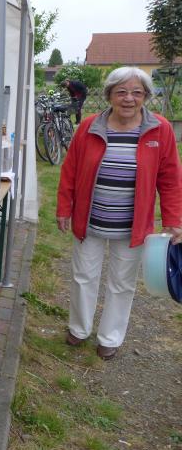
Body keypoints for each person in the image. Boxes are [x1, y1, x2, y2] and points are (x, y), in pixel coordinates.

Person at [56, 66, 182, 360]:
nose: (128, 98)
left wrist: (174, 221)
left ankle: (110, 337)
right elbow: (70, 169)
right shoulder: (90, 126)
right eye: (121, 91)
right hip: (89, 219)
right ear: (109, 94)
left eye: (137, 92)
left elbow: (170, 179)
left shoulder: (160, 129)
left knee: (122, 283)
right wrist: (64, 207)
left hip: (132, 225)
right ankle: (79, 328)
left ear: (146, 96)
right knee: (83, 276)